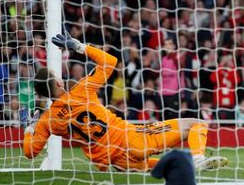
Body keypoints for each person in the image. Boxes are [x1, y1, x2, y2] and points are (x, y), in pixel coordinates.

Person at [23, 32, 228, 172]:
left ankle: (181, 166)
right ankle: (198, 160)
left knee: (158, 165)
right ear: (59, 82)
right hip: (131, 139)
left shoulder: (47, 120)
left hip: (109, 159)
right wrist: (78, 46)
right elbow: (110, 62)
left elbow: (30, 152)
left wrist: (30, 127)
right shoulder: (81, 91)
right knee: (196, 124)